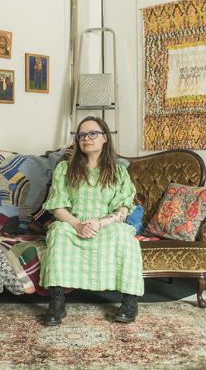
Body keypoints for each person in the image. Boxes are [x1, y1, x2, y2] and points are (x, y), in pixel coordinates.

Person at [40, 116, 144, 326]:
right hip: (73, 224)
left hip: (105, 225)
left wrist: (100, 223)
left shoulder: (118, 171)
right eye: (82, 135)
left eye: (92, 133)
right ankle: (57, 303)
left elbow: (123, 208)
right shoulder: (64, 169)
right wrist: (78, 225)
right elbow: (57, 206)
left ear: (104, 137)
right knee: (58, 232)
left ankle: (130, 302)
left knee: (124, 236)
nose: (87, 138)